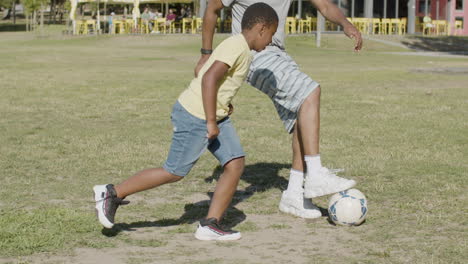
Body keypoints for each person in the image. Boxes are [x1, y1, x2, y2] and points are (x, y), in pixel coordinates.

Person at [93, 2, 279, 241]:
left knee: (235, 163)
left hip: (214, 114)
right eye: (272, 34)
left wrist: (224, 105)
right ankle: (111, 193)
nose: (271, 41)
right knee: (174, 171)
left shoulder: (239, 46)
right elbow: (209, 79)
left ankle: (210, 225)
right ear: (262, 28)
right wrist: (211, 121)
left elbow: (213, 78)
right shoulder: (238, 47)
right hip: (197, 115)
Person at [196, 0, 363, 219]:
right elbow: (212, 8)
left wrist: (345, 24)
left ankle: (294, 193)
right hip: (254, 55)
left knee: (301, 116)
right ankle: (316, 174)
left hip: (277, 54)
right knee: (310, 91)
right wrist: (206, 54)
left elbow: (324, 5)